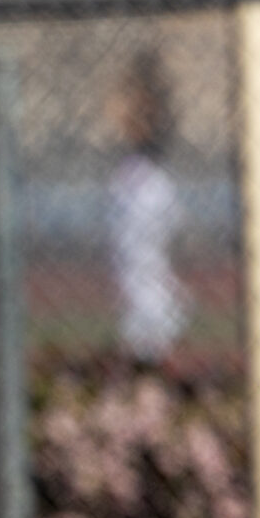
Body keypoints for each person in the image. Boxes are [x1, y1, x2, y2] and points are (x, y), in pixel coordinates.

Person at [104, 52, 191, 368]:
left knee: (142, 264)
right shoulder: (135, 169)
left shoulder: (150, 108)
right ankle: (152, 336)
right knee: (136, 264)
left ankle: (155, 337)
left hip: (147, 180)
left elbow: (133, 125)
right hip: (144, 177)